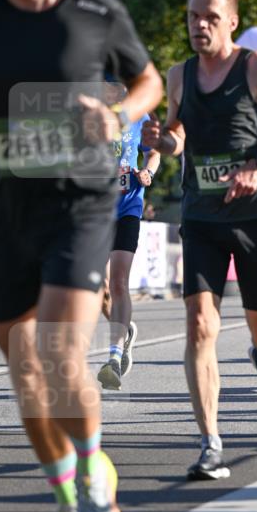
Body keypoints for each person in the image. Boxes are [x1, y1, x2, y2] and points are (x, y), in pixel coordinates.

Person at [0, 0, 163, 512]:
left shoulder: (94, 10)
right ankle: (67, 499)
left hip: (81, 200)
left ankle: (93, 482)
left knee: (58, 351)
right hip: (2, 203)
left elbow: (147, 83)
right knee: (24, 372)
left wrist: (117, 116)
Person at [142, 0, 257, 480]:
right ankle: (211, 442)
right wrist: (162, 139)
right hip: (202, 215)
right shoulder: (179, 75)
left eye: (211, 17)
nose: (200, 25)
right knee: (199, 326)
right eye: (193, 16)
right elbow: (176, 138)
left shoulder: (255, 67)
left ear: (232, 21)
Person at [98, 90, 161, 390]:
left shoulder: (138, 115)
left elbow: (155, 150)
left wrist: (148, 172)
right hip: (94, 210)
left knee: (118, 282)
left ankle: (114, 356)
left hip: (127, 207)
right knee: (97, 289)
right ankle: (125, 331)